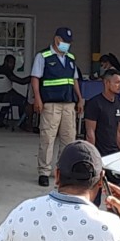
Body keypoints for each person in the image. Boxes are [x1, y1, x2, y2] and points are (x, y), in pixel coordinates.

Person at [31, 27, 85, 187]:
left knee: (69, 139)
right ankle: (44, 172)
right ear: (56, 40)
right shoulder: (43, 56)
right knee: (47, 139)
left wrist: (80, 98)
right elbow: (35, 78)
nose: (67, 45)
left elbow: (74, 80)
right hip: (51, 103)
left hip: (69, 104)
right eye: (64, 41)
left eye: (69, 42)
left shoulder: (70, 58)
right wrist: (37, 99)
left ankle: (63, 171)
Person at [85, 68, 120, 206]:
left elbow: (119, 131)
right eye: (117, 82)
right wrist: (93, 156)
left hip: (114, 156)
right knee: (95, 193)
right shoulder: (94, 103)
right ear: (107, 83)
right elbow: (90, 132)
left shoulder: (119, 103)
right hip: (100, 155)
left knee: (118, 194)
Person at [0, 54, 33, 129]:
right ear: (5, 62)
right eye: (11, 63)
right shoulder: (7, 71)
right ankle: (23, 123)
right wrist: (33, 78)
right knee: (24, 102)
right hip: (6, 96)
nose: (13, 66)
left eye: (14, 63)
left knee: (8, 101)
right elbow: (21, 81)